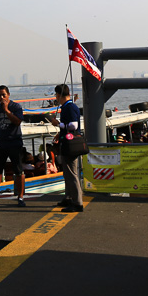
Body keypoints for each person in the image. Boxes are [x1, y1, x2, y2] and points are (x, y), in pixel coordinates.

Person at [45, 83, 83, 212]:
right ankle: (68, 198)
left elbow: (73, 125)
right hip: (67, 141)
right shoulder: (68, 106)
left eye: (56, 95)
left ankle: (77, 202)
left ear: (59, 95)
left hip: (71, 145)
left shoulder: (69, 107)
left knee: (71, 173)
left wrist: (58, 124)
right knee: (67, 173)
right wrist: (59, 132)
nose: (55, 97)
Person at [0, 85, 26, 206]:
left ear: (8, 95)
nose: (1, 97)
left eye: (3, 95)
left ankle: (20, 196)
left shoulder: (16, 107)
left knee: (18, 171)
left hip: (15, 142)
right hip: (2, 143)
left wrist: (7, 111)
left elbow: (18, 121)